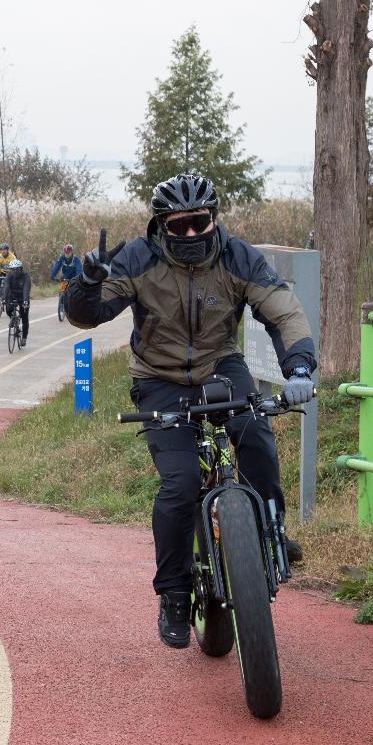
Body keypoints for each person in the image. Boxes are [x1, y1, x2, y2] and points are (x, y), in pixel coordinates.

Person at [65, 173, 316, 650]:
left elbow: (284, 311)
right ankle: (175, 594)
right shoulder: (137, 258)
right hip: (158, 379)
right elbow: (86, 316)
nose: (189, 235)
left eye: (198, 223)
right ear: (161, 225)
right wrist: (87, 283)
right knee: (179, 484)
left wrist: (299, 367)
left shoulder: (239, 257)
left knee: (256, 436)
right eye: (177, 226)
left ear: (213, 219)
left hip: (221, 366)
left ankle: (274, 532)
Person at [3, 258, 31, 347]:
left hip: (23, 297)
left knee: (25, 317)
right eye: (12, 269)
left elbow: (26, 289)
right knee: (8, 309)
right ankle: (13, 318)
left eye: (16, 269)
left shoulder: (26, 276)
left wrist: (25, 301)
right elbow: (6, 287)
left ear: (20, 269)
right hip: (12, 296)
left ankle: (24, 337)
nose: (14, 271)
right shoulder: (9, 276)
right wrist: (4, 299)